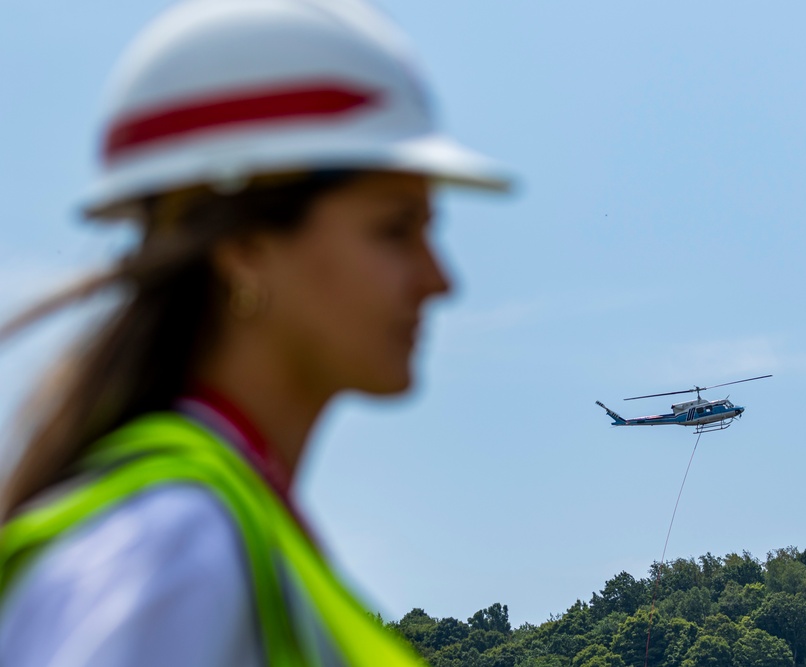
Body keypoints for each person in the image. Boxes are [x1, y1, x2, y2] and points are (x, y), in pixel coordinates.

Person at [0, 0, 509, 665]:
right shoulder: (174, 547)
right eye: (394, 229)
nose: (440, 278)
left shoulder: (222, 535)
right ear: (244, 246)